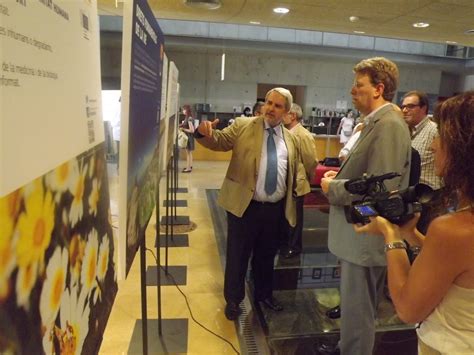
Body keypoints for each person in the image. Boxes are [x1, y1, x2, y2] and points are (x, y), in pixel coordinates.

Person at [354, 91, 474, 354]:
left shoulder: (454, 229)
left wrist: (390, 236)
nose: (434, 145)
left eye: (442, 135)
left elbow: (408, 308)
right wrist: (413, 235)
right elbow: (458, 269)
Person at [321, 57, 412, 355]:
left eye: (359, 85)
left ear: (379, 89)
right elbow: (366, 174)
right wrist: (342, 176)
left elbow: (382, 190)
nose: (352, 91)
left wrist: (332, 187)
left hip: (364, 238)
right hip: (356, 238)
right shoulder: (376, 123)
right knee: (354, 309)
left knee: (359, 315)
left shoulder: (388, 125)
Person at [194, 88, 299, 320]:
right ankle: (233, 300)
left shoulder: (290, 138)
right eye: (268, 102)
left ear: (287, 112)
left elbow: (291, 171)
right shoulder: (244, 125)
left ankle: (264, 295)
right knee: (238, 255)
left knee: (266, 256)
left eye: (277, 105)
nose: (270, 108)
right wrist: (204, 134)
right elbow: (220, 141)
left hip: (274, 209)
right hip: (245, 206)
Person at [281, 103, 318, 258]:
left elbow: (311, 161)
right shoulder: (285, 132)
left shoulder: (303, 135)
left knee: (295, 218)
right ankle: (284, 243)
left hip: (297, 182)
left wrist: (308, 178)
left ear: (293, 115)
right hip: (285, 183)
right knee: (285, 216)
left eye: (285, 113)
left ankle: (294, 247)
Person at [400, 91, 443, 190]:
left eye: (410, 106)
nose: (405, 110)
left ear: (423, 108)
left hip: (429, 196)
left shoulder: (435, 131)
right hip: (409, 195)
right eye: (403, 107)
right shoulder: (404, 132)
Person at [180, 104, 195, 173]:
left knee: (188, 153)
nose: (183, 110)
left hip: (188, 138)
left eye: (184, 109)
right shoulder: (188, 117)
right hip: (189, 138)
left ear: (186, 110)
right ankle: (190, 166)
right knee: (189, 153)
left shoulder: (189, 118)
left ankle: (188, 168)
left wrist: (183, 129)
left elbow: (192, 130)